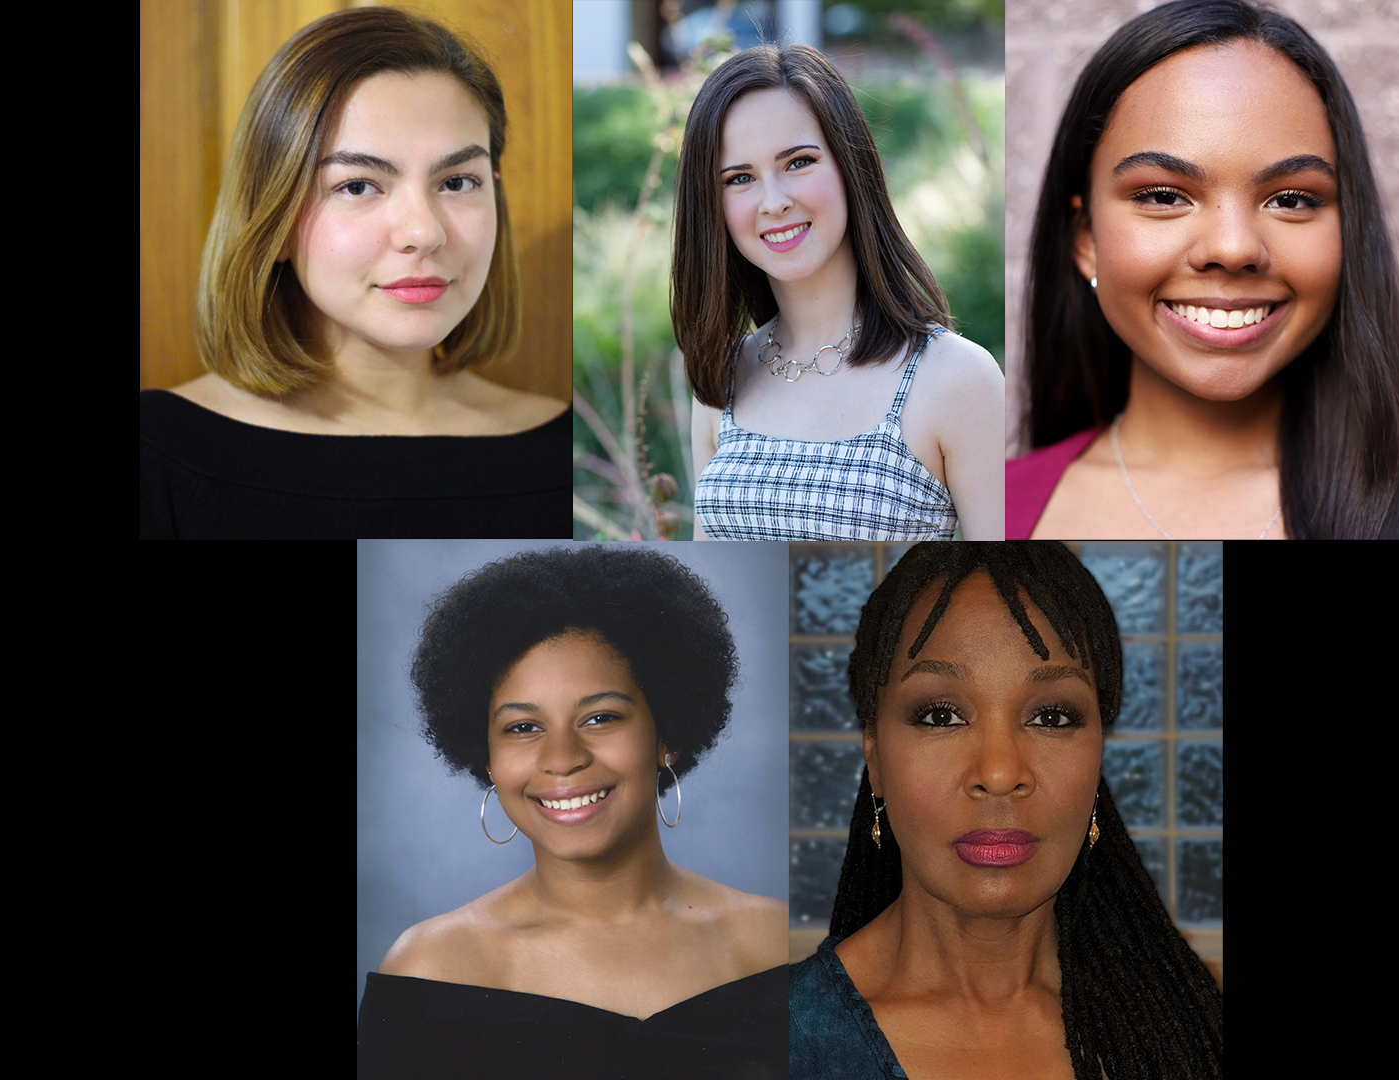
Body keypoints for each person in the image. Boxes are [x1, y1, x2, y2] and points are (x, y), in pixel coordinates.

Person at [790, 542, 1223, 1079]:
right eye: (941, 716)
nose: (998, 773)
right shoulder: (752, 1041)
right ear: (874, 756)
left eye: (1052, 717)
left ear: (1098, 757)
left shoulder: (1195, 1031)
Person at [1008, 0, 1399, 539]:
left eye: (1291, 200)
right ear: (1086, 239)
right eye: (1164, 196)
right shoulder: (997, 509)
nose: (1234, 249)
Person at [358, 547, 789, 1080]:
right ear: (487, 758)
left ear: (667, 736)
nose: (562, 758)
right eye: (522, 727)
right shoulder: (430, 971)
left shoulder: (781, 949)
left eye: (600, 717)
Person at [140, 7, 568, 539]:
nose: (424, 232)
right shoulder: (158, 456)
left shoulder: (566, 451)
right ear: (274, 217)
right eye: (358, 186)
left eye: (457, 182)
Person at [673, 43, 1004, 541]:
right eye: (740, 178)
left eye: (798, 162)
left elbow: (1005, 583)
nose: (774, 202)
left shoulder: (957, 379)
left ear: (851, 167)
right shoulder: (724, 379)